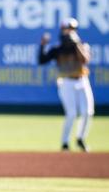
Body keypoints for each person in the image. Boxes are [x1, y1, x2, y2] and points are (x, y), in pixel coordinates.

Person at [39, 18, 94, 151]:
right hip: (66, 82)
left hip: (82, 80)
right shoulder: (58, 49)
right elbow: (42, 60)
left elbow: (85, 59)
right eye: (67, 29)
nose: (69, 32)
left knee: (88, 112)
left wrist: (76, 44)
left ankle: (80, 138)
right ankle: (65, 142)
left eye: (72, 30)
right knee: (71, 114)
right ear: (62, 30)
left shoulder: (80, 46)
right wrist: (42, 46)